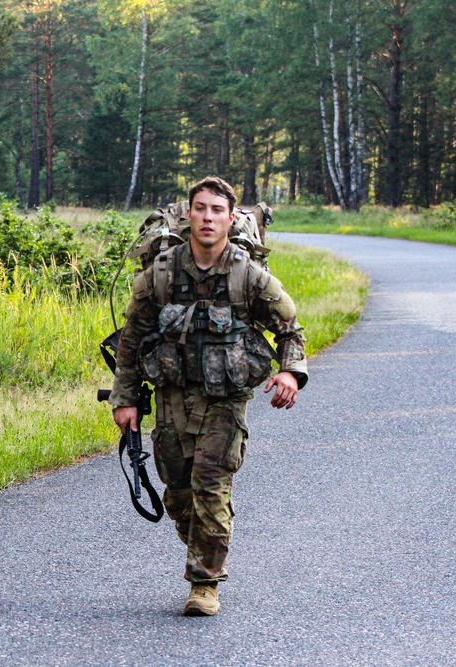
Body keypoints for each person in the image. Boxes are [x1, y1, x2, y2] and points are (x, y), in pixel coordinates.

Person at [108, 176, 307, 616]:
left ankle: (204, 584)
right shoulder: (159, 275)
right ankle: (206, 545)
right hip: (172, 397)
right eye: (201, 208)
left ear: (230, 218)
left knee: (211, 486)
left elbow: (290, 329)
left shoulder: (248, 275)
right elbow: (131, 340)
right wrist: (125, 398)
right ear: (190, 214)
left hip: (225, 399)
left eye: (217, 210)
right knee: (179, 493)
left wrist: (292, 372)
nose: (208, 217)